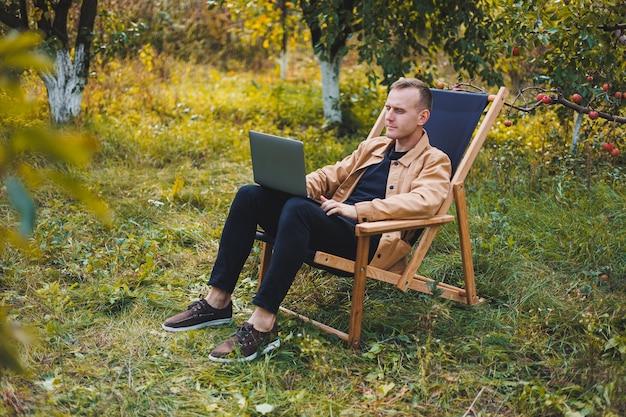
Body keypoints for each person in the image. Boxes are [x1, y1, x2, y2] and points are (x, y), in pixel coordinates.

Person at [162, 77, 452, 362]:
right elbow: (331, 173)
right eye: (387, 108)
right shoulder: (373, 147)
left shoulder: (434, 160)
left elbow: (426, 202)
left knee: (299, 209)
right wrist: (295, 185)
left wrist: (359, 209)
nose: (389, 116)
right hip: (333, 225)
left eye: (399, 110)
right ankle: (217, 302)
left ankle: (263, 324)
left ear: (422, 116)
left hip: (368, 240)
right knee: (250, 196)